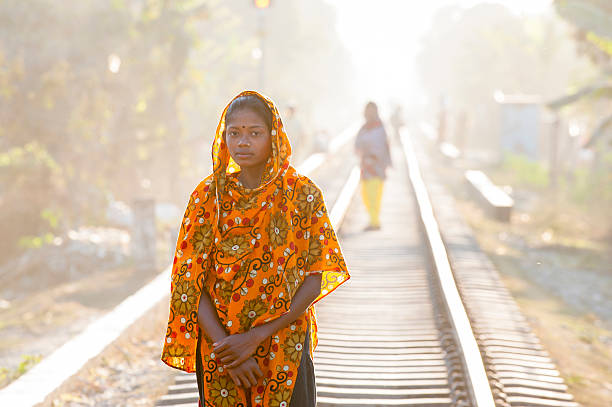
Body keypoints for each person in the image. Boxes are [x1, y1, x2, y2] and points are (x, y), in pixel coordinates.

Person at [161, 90, 350, 407]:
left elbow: (316, 276)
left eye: (254, 133)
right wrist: (230, 350)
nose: (243, 142)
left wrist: (255, 337)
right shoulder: (207, 197)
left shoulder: (302, 194)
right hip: (219, 348)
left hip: (284, 342)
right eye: (234, 133)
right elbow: (188, 283)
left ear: (273, 135)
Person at [354, 101, 392, 231]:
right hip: (366, 167)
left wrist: (377, 159)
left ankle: (374, 222)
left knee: (375, 195)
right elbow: (357, 145)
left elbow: (385, 147)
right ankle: (373, 220)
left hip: (378, 167)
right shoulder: (363, 128)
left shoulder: (381, 128)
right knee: (365, 194)